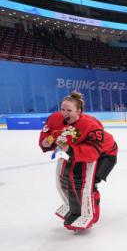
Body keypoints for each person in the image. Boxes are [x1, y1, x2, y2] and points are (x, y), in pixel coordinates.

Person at [39, 91, 118, 231]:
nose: (64, 113)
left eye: (69, 110)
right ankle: (75, 208)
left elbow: (93, 152)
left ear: (79, 111)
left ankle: (90, 214)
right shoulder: (55, 118)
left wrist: (69, 149)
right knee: (68, 181)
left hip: (105, 154)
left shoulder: (90, 124)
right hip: (80, 153)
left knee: (90, 183)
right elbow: (48, 134)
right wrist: (45, 143)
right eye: (62, 109)